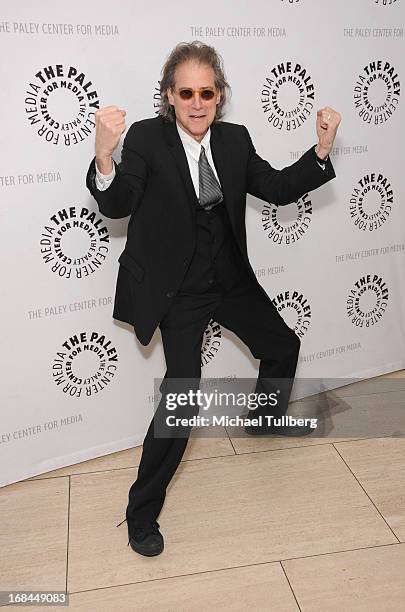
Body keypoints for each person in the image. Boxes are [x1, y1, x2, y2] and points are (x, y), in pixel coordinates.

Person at [86, 41, 341, 557]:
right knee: (181, 403)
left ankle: (265, 420)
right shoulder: (147, 138)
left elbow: (275, 187)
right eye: (187, 92)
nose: (198, 102)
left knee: (283, 344)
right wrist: (103, 155)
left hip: (228, 279)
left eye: (207, 91)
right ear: (169, 96)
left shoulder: (233, 139)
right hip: (176, 291)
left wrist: (320, 151)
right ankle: (141, 515)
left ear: (219, 96)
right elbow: (117, 203)